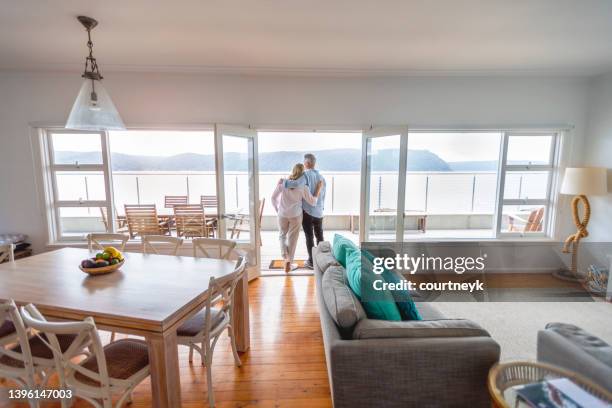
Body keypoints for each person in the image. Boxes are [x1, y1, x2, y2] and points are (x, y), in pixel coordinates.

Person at [272, 163, 324, 273]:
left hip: (282, 214)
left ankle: (285, 258)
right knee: (292, 239)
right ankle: (289, 263)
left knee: (282, 235)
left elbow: (273, 198)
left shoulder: (283, 183)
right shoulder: (303, 187)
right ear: (302, 174)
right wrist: (318, 189)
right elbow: (313, 202)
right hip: (295, 215)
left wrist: (278, 210)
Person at [283, 153, 326, 269]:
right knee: (320, 236)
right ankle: (323, 261)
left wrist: (283, 182)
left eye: (304, 162)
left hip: (307, 212)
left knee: (309, 236)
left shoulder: (304, 175)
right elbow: (323, 196)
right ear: (314, 163)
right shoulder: (322, 177)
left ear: (307, 163)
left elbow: (295, 184)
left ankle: (312, 262)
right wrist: (321, 209)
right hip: (319, 212)